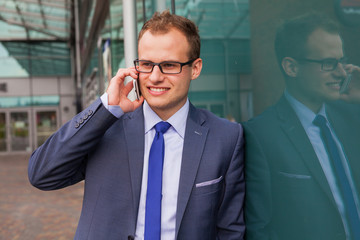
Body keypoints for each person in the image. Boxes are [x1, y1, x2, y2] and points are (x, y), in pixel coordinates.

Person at [28, 11, 245, 240]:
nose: (154, 77)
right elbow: (42, 174)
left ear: (196, 68)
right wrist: (106, 108)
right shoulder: (105, 127)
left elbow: (230, 230)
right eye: (147, 64)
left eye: (169, 65)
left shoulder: (226, 137)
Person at [243, 13, 360, 240]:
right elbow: (259, 229)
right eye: (329, 63)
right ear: (292, 67)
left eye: (342, 61)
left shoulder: (352, 117)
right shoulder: (260, 136)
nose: (342, 72)